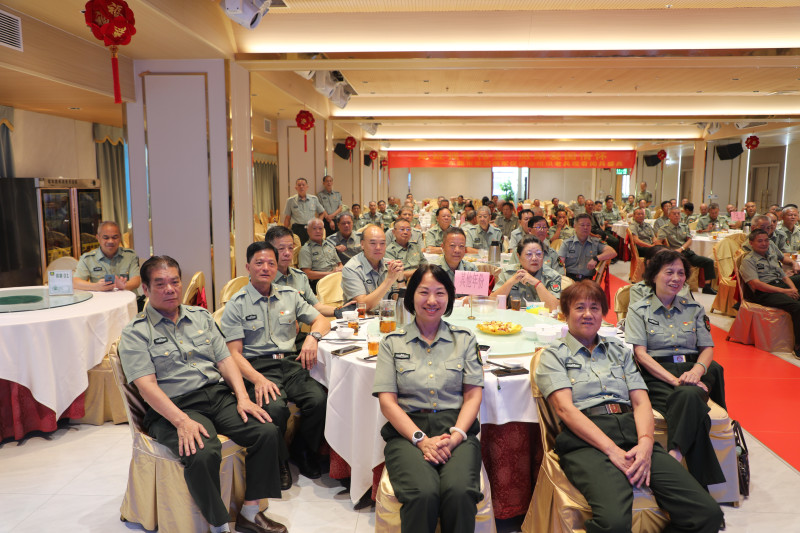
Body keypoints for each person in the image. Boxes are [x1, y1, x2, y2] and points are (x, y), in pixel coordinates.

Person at [535, 280, 723, 533]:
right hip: (586, 440)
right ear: (565, 314)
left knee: (707, 513)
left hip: (631, 433)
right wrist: (611, 450)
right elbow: (564, 410)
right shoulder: (553, 354)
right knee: (613, 523)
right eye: (579, 308)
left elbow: (641, 401)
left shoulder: (620, 351)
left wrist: (646, 443)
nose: (588, 314)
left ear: (603, 314)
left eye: (595, 308)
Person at [119, 256, 288, 533]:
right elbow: (147, 387)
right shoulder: (135, 334)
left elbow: (225, 360)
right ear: (145, 290)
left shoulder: (201, 317)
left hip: (216, 395)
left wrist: (243, 397)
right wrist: (182, 421)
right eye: (160, 284)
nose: (170, 289)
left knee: (266, 430)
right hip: (174, 407)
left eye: (175, 282)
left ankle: (250, 512)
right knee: (202, 451)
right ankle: (219, 525)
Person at [373, 264, 484, 533]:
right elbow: (387, 402)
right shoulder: (392, 342)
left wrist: (456, 436)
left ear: (450, 298)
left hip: (456, 430)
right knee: (422, 493)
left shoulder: (465, 340)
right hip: (407, 433)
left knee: (459, 492)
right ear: (411, 296)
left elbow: (473, 395)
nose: (432, 300)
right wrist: (421, 440)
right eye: (424, 292)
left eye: (440, 293)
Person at [222, 241, 330, 486]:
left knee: (319, 400)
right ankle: (279, 460)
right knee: (275, 409)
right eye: (259, 263)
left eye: (271, 263)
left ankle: (303, 450)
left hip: (290, 364)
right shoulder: (236, 304)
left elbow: (321, 320)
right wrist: (258, 379)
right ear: (247, 267)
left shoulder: (289, 296)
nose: (266, 268)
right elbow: (233, 354)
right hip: (257, 367)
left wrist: (312, 338)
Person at [625, 249, 727, 488]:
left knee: (689, 393)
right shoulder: (638, 310)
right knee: (690, 400)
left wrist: (697, 372)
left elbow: (707, 349)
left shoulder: (694, 308)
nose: (676, 278)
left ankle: (674, 457)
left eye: (681, 273)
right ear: (654, 276)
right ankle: (689, 474)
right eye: (669, 272)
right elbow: (641, 354)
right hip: (657, 374)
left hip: (693, 369)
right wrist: (675, 381)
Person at [739, 229, 800, 355]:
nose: (764, 244)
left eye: (766, 240)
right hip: (763, 293)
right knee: (796, 306)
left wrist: (793, 289)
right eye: (760, 241)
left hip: (779, 285)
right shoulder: (748, 260)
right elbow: (756, 284)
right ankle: (798, 346)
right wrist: (785, 291)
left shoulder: (771, 255)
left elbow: (784, 276)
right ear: (751, 243)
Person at [266, 225, 346, 318]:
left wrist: (341, 311)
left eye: (290, 248)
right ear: (268, 250)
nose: (287, 253)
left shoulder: (300, 277)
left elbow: (317, 307)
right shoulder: (263, 280)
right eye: (281, 248)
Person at [342, 224, 405, 311]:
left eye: (382, 243)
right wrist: (389, 279)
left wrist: (400, 279)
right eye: (373, 243)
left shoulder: (390, 265)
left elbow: (400, 303)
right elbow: (362, 306)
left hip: (386, 316)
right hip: (362, 318)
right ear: (362, 244)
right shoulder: (351, 268)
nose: (378, 247)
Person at [657, 207, 717, 295]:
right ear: (669, 216)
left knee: (708, 261)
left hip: (686, 252)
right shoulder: (664, 229)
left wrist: (681, 248)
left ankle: (707, 287)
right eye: (674, 214)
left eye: (678, 213)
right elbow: (659, 243)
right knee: (683, 266)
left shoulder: (684, 226)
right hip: (674, 254)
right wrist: (670, 251)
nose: (677, 215)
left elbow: (689, 240)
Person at [492, 236, 560, 311]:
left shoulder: (552, 276)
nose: (534, 258)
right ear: (518, 256)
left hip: (541, 317)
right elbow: (492, 303)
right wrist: (511, 282)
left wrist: (537, 283)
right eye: (529, 254)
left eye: (538, 254)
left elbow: (555, 308)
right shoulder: (508, 273)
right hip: (513, 317)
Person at [74, 220, 141, 293]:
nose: (110, 241)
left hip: (128, 298)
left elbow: (136, 281)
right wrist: (96, 286)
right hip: (101, 299)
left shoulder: (130, 255)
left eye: (115, 237)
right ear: (98, 238)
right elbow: (75, 282)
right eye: (106, 238)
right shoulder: (87, 259)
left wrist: (124, 286)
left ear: (120, 238)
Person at [559, 213, 617, 282]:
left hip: (587, 281)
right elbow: (560, 264)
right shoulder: (567, 243)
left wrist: (596, 258)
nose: (585, 228)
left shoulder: (595, 242)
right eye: (582, 225)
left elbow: (612, 252)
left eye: (588, 225)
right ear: (575, 226)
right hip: (570, 279)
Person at [298, 218, 342, 291]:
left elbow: (340, 264)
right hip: (321, 283)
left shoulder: (329, 245)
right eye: (314, 228)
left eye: (320, 228)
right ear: (308, 231)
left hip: (337, 278)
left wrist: (340, 268)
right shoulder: (306, 249)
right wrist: (330, 274)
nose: (318, 231)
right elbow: (307, 273)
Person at [434, 227, 478, 297]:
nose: (457, 250)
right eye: (452, 245)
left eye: (461, 246)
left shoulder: (471, 269)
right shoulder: (433, 270)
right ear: (443, 247)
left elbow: (475, 298)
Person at [283, 177, 324, 245]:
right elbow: (287, 218)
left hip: (311, 228)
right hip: (297, 229)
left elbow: (322, 213)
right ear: (296, 188)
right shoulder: (290, 201)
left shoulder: (314, 199)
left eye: (303, 185)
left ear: (307, 187)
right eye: (299, 185)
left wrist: (318, 223)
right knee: (299, 248)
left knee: (313, 246)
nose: (301, 187)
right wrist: (284, 232)